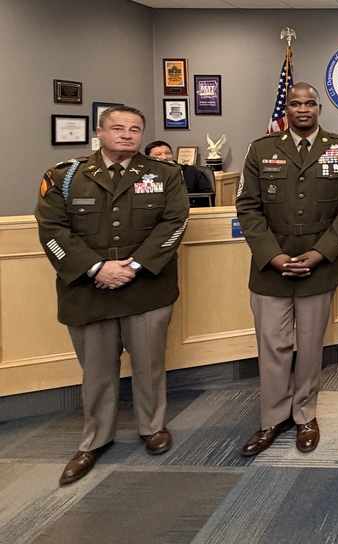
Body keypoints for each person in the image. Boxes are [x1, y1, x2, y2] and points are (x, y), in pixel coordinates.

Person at [35, 105, 189, 485]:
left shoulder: (165, 174)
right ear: (99, 132)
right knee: (97, 370)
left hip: (147, 287)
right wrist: (97, 268)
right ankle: (95, 439)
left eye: (135, 129)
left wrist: (132, 267)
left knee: (149, 365)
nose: (126, 134)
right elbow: (52, 229)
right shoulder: (65, 177)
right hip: (88, 290)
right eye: (118, 128)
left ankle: (152, 427)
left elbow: (175, 222)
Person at [235, 82, 338, 456]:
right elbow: (247, 207)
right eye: (295, 103)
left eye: (310, 103)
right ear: (286, 110)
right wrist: (273, 256)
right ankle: (273, 417)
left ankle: (305, 414)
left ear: (319, 108)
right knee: (272, 346)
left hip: (319, 267)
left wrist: (321, 253)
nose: (303, 109)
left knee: (309, 346)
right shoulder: (261, 149)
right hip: (270, 268)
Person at [144, 140, 214, 195]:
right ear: (148, 158)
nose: (164, 157)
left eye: (167, 153)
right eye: (158, 154)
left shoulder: (189, 171)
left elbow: (208, 195)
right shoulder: (144, 174)